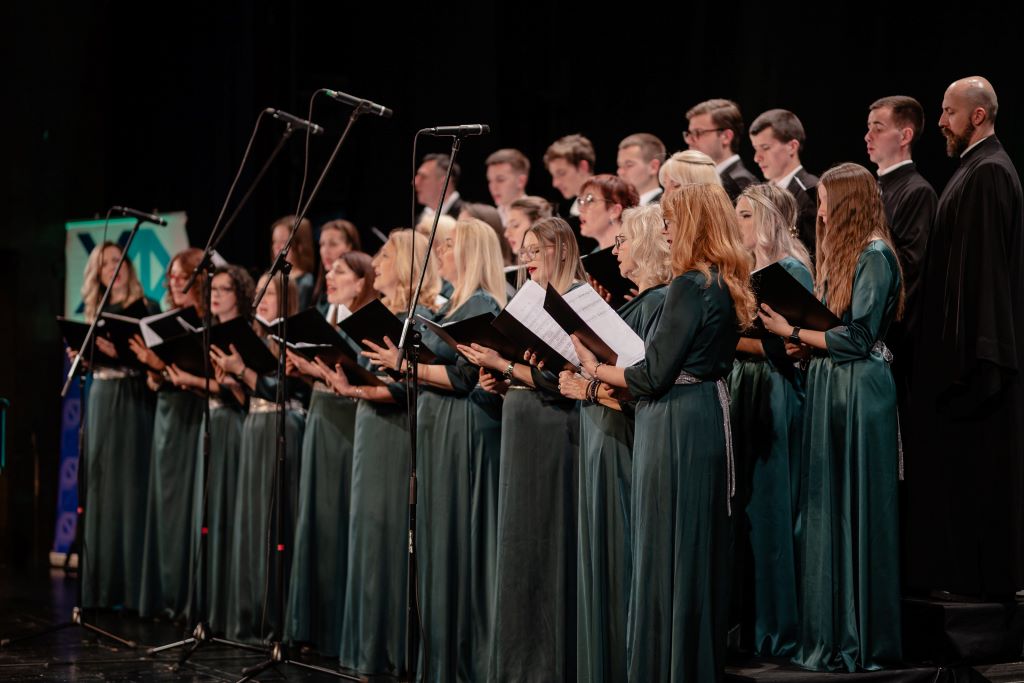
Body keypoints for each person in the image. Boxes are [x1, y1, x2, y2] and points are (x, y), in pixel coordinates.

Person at [573, 183, 754, 681]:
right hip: (702, 415)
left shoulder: (689, 284)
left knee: (665, 547)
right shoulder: (722, 280)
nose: (666, 231)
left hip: (674, 421)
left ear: (692, 225)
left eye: (672, 222)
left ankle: (665, 667)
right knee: (691, 548)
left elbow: (652, 376)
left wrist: (592, 368)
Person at [758, 162, 905, 671]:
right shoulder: (842, 257)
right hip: (829, 383)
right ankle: (829, 629)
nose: (818, 212)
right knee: (827, 507)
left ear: (845, 203)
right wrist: (802, 338)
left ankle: (861, 637)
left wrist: (794, 333)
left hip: (859, 390)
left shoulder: (875, 255)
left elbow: (859, 338)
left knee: (855, 507)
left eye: (823, 201)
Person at [365, 219, 507, 681]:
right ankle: (438, 655)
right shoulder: (453, 306)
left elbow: (465, 378)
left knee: (454, 541)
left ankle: (460, 661)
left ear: (470, 253)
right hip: (438, 424)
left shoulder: (480, 303)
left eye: (448, 246)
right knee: (435, 540)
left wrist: (405, 365)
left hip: (462, 426)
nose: (440, 253)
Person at [907, 76, 1024, 601]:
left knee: (980, 479)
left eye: (949, 111)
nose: (940, 122)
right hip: (965, 356)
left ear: (978, 115)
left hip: (975, 362)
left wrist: (973, 360)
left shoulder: (989, 172)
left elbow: (984, 276)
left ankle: (981, 589)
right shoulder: (973, 169)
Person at [458, 217, 586, 682]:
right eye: (525, 250)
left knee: (547, 542)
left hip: (554, 430)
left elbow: (563, 379)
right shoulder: (524, 302)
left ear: (563, 251)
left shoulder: (577, 302)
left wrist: (506, 365)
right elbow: (526, 371)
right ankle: (517, 663)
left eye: (537, 250)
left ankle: (548, 665)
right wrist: (498, 377)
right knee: (519, 545)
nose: (527, 258)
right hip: (520, 423)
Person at [557, 203, 671, 682]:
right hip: (602, 438)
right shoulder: (639, 303)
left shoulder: (658, 303)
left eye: (622, 241)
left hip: (624, 442)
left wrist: (586, 386)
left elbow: (642, 387)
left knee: (620, 554)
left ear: (644, 245)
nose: (616, 250)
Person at [325, 230, 440, 676]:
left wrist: (358, 388)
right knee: (367, 532)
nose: (376, 263)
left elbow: (404, 387)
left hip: (395, 432)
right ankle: (366, 645)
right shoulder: (385, 314)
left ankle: (389, 648)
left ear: (406, 263)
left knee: (386, 535)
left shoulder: (419, 318)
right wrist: (348, 384)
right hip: (370, 426)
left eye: (385, 255)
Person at [729, 184, 813, 657]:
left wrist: (736, 342)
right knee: (747, 510)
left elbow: (794, 347)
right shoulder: (741, 271)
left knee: (772, 509)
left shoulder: (791, 270)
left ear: (768, 220)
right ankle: (750, 625)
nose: (736, 222)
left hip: (776, 393)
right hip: (746, 386)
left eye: (745, 215)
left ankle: (777, 629)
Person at [282, 251, 376, 656]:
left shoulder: (367, 320)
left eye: (341, 271)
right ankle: (312, 625)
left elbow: (360, 376)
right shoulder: (326, 315)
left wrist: (316, 370)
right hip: (321, 413)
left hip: (347, 419)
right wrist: (306, 370)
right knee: (317, 518)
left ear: (362, 281)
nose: (331, 277)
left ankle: (339, 628)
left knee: (340, 516)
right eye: (330, 271)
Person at [214, 271, 307, 643]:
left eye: (270, 293)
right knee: (251, 522)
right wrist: (234, 382)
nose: (261, 299)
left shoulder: (292, 338)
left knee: (273, 522)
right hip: (254, 426)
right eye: (259, 293)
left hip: (281, 429)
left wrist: (243, 372)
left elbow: (285, 389)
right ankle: (250, 612)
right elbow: (253, 394)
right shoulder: (254, 336)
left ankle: (275, 617)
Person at [164, 264, 254, 633]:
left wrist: (193, 380)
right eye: (212, 289)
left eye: (225, 290)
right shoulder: (206, 331)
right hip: (210, 422)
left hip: (233, 425)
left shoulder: (245, 333)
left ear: (240, 295)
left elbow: (243, 391)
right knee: (205, 512)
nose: (215, 295)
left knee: (225, 511)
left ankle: (225, 606)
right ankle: (203, 603)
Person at [76, 242, 160, 611]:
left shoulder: (147, 307)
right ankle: (100, 588)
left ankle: (132, 588)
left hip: (132, 395)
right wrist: (85, 356)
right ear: (97, 273)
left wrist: (121, 353)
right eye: (106, 263)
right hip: (101, 395)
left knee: (131, 486)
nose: (115, 268)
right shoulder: (96, 310)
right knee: (101, 487)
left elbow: (155, 361)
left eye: (119, 260)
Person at [132, 248, 207, 619]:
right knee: (165, 503)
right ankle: (163, 592)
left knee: (186, 505)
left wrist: (158, 365)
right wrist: (153, 369)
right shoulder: (165, 321)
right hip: (166, 410)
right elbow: (157, 378)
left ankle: (184, 594)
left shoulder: (206, 322)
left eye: (182, 277)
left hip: (193, 412)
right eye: (171, 277)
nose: (174, 283)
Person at [865, 95, 936, 376]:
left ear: (905, 136)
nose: (868, 136)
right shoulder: (874, 188)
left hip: (894, 338)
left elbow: (908, 270)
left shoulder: (917, 192)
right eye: (868, 127)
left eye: (878, 127)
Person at [749, 109, 819, 256]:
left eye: (765, 148)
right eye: (755, 149)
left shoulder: (811, 191)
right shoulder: (760, 193)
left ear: (792, 147)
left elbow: (814, 256)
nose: (757, 158)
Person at [685, 99, 759, 200]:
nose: (689, 140)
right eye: (689, 133)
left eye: (698, 132)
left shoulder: (741, 183)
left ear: (726, 137)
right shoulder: (705, 179)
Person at [544, 133, 597, 252]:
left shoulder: (604, 205)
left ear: (583, 167)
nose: (555, 183)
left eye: (561, 173)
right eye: (553, 175)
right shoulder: (573, 211)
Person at [578, 174, 640, 252]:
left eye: (590, 200)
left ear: (615, 211)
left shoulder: (638, 251)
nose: (581, 209)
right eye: (580, 201)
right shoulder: (593, 255)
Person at [270, 214, 317, 310]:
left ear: (300, 245)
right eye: (274, 241)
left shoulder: (305, 283)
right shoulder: (273, 277)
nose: (276, 247)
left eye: (283, 242)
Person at [312, 219, 361, 308]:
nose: (325, 251)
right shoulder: (321, 286)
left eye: (333, 244)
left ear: (349, 246)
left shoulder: (354, 288)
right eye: (322, 244)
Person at [616, 133, 666, 206]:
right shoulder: (620, 207)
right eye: (619, 166)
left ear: (653, 167)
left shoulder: (667, 208)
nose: (620, 172)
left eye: (629, 165)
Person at [486, 148, 530, 223]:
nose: (493, 187)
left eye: (500, 180)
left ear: (521, 181)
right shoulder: (489, 219)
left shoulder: (536, 217)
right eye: (490, 181)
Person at [416, 153, 465, 222]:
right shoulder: (422, 217)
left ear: (444, 182)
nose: (415, 182)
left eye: (423, 177)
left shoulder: (466, 216)